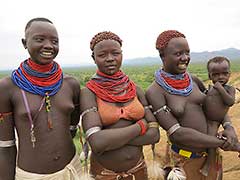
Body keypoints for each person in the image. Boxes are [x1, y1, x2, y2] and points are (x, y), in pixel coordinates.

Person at [146, 30, 239, 180]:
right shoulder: (155, 91)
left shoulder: (193, 80)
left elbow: (215, 107)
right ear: (162, 56)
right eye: (178, 54)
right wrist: (222, 142)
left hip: (211, 158)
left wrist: (229, 127)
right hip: (185, 162)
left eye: (187, 52)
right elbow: (177, 133)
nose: (185, 58)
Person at [0, 17, 81, 179]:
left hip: (72, 169)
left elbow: (72, 127)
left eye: (54, 41)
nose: (49, 45)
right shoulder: (8, 88)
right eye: (39, 39)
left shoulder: (70, 84)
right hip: (31, 176)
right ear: (25, 43)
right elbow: (6, 146)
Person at [80, 31, 160, 180]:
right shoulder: (89, 93)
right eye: (102, 55)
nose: (110, 59)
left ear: (121, 55)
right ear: (93, 58)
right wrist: (140, 127)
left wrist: (112, 140)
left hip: (138, 171)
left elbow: (154, 135)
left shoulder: (135, 90)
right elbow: (97, 143)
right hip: (105, 174)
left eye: (115, 53)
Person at [200, 56, 240, 176]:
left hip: (214, 121)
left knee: (211, 142)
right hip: (205, 119)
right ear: (210, 76)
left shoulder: (229, 89)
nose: (220, 77)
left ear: (229, 74)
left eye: (224, 73)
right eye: (216, 74)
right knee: (205, 140)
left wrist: (220, 89)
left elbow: (230, 102)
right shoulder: (210, 89)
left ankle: (209, 164)